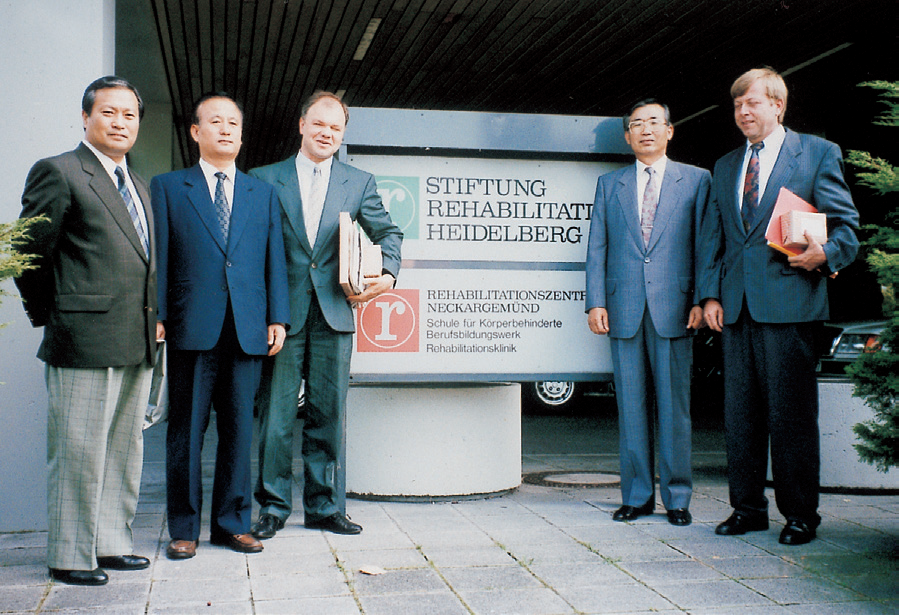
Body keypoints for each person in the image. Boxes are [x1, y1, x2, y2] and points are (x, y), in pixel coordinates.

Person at [699, 68, 859, 545]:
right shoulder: (725, 165)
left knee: (790, 418)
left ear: (777, 106)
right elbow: (715, 238)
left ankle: (800, 517)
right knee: (740, 417)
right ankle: (747, 509)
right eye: (736, 106)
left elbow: (846, 226)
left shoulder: (816, 153)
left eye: (752, 104)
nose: (743, 112)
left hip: (791, 305)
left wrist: (826, 254)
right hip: (736, 311)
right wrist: (709, 295)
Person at [14, 76, 158, 586]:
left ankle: (112, 544)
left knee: (123, 449)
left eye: (130, 115)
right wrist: (53, 316)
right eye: (109, 113)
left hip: (135, 338)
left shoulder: (139, 184)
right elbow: (29, 255)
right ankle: (72, 554)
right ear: (85, 117)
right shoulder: (60, 171)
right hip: (81, 338)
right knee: (78, 451)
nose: (121, 123)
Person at [249, 91, 403, 539]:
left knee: (328, 413)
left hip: (335, 313)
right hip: (281, 314)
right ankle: (273, 507)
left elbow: (388, 232)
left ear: (342, 134)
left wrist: (389, 273)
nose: (327, 133)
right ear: (301, 125)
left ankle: (324, 506)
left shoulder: (359, 181)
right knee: (276, 417)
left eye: (335, 128)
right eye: (319, 124)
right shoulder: (264, 178)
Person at [152, 93, 290, 559]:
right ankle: (184, 528)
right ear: (196, 132)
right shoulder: (169, 187)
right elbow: (162, 260)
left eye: (234, 122)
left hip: (248, 327)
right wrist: (160, 314)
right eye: (216, 122)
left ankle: (232, 524)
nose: (227, 129)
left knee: (238, 430)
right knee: (186, 430)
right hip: (192, 325)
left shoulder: (260, 192)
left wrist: (278, 317)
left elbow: (275, 261)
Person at [586, 99, 710, 527]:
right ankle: (637, 496)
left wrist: (701, 298)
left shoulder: (697, 180)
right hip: (622, 308)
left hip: (676, 308)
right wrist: (596, 300)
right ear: (627, 136)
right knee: (631, 407)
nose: (645, 130)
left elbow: (705, 246)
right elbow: (597, 247)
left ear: (670, 131)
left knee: (675, 408)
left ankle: (678, 498)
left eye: (654, 123)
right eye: (636, 124)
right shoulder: (610, 184)